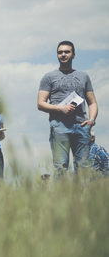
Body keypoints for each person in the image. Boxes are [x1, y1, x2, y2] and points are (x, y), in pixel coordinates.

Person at [37, 40, 98, 177]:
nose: (63, 54)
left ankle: (82, 198)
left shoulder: (84, 76)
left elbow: (92, 102)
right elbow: (40, 103)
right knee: (61, 168)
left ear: (73, 55)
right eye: (60, 52)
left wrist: (91, 120)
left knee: (83, 167)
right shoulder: (49, 77)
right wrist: (60, 109)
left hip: (81, 125)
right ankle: (63, 198)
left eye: (67, 52)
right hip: (59, 126)